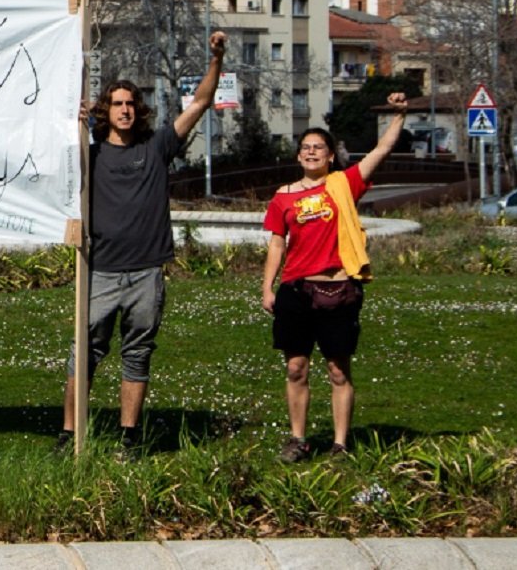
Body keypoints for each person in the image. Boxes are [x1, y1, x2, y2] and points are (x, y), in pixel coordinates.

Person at [58, 30, 227, 459]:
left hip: (146, 272)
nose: (125, 110)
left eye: (131, 104)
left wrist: (216, 60)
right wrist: (69, 121)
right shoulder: (89, 152)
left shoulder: (157, 147)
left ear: (139, 110)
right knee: (85, 354)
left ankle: (129, 438)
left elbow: (201, 103)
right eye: (117, 104)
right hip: (100, 271)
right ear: (104, 111)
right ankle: (68, 434)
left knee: (138, 354)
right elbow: (47, 152)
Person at [261, 93, 408, 462]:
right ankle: (298, 440)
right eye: (305, 147)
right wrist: (267, 287)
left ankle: (340, 445)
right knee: (296, 367)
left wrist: (399, 115)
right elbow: (277, 244)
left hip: (338, 288)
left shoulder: (345, 183)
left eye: (319, 147)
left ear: (330, 156)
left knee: (338, 370)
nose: (311, 152)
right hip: (296, 288)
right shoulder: (282, 197)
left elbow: (383, 150)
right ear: (298, 156)